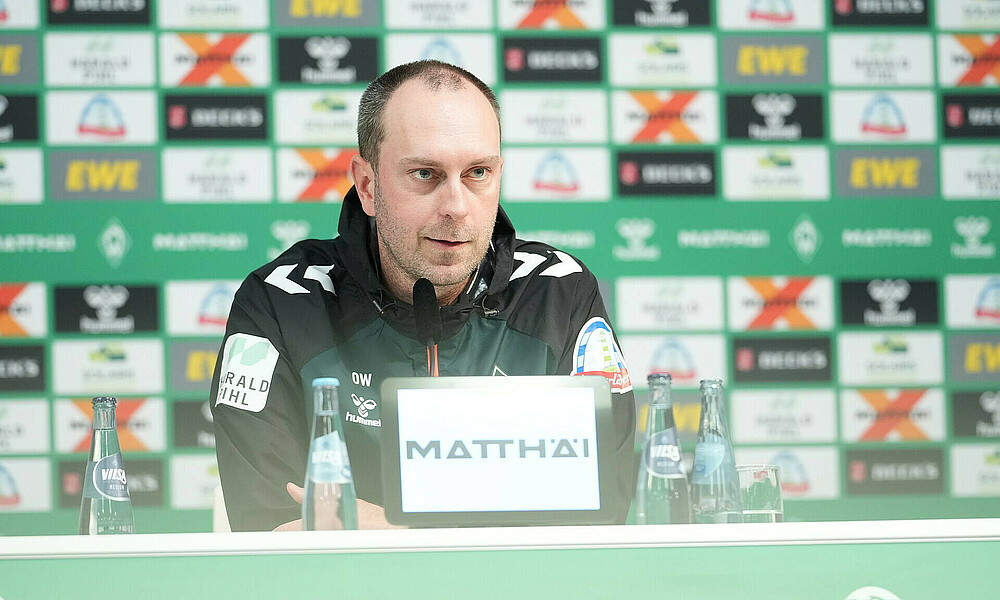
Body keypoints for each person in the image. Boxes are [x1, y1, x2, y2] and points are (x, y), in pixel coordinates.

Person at [210, 60, 635, 531]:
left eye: (477, 172)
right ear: (368, 186)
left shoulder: (557, 293)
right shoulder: (281, 302)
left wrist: (390, 532)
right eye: (425, 174)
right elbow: (271, 528)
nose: (456, 207)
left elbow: (598, 516)